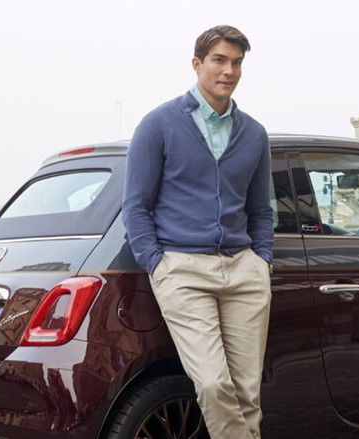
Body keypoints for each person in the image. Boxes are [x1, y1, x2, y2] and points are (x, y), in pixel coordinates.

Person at [121, 25, 273, 439]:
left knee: (247, 392)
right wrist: (158, 264)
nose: (229, 71)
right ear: (197, 64)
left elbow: (261, 209)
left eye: (236, 63)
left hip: (244, 271)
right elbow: (136, 205)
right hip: (183, 270)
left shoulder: (254, 134)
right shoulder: (158, 125)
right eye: (219, 60)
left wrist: (262, 260)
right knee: (212, 384)